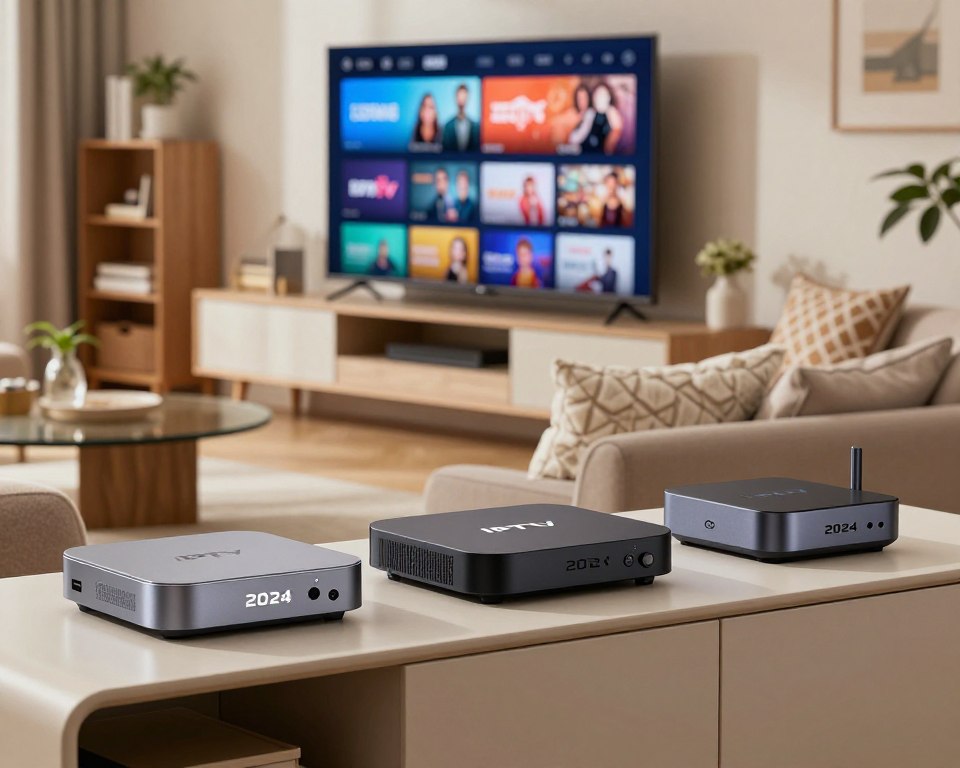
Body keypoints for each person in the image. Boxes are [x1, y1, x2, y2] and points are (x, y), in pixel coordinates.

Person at [581, 82, 623, 154]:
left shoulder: (612, 113)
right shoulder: (590, 113)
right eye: (597, 95)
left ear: (609, 97)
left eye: (603, 95)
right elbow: (577, 138)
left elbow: (612, 141)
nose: (599, 98)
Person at [441, 83, 480, 152]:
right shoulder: (448, 126)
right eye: (460, 96)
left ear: (467, 98)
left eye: (464, 97)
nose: (462, 100)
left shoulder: (475, 127)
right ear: (456, 98)